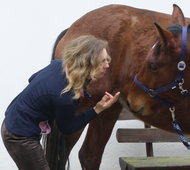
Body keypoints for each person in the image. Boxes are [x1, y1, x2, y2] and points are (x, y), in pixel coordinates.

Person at [1, 35, 120, 170]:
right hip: (19, 137)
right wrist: (97, 109)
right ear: (88, 63)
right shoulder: (64, 96)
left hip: (11, 122)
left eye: (107, 60)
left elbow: (32, 78)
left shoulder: (59, 65)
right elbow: (67, 128)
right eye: (103, 61)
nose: (107, 65)